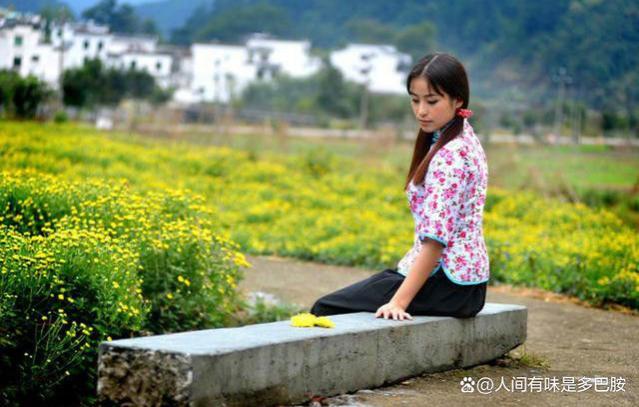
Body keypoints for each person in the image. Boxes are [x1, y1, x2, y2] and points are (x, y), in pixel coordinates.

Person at [310, 52, 489, 321]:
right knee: (370, 287)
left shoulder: (450, 155)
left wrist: (398, 302)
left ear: (458, 99)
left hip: (449, 284)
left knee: (326, 308)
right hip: (467, 284)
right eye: (415, 100)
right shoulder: (462, 136)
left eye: (432, 101)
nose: (421, 111)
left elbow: (435, 242)